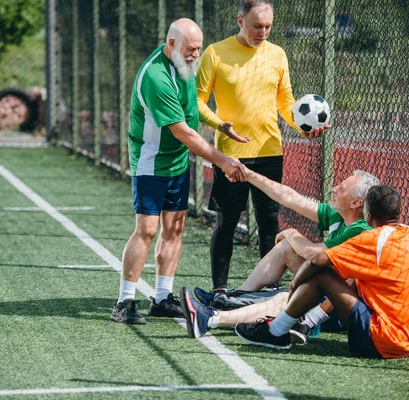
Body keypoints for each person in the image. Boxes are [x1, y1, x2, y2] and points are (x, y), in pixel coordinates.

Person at [111, 18, 245, 325]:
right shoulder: (155, 76)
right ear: (172, 44)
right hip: (150, 162)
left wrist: (217, 124)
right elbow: (183, 131)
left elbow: (192, 107)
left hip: (177, 162)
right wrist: (222, 160)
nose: (196, 55)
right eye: (191, 49)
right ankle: (124, 300)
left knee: (175, 229)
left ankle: (161, 297)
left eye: (198, 49)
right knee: (147, 230)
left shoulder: (183, 65)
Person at [196, 0, 330, 293]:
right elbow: (197, 101)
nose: (263, 32)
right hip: (230, 155)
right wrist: (220, 126)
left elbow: (286, 103)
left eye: (268, 26)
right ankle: (219, 289)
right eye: (257, 26)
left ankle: (269, 289)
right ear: (240, 21)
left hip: (270, 151)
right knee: (226, 222)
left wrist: (302, 128)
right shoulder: (215, 53)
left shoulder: (278, 54)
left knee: (269, 223)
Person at [180, 167, 380, 342]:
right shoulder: (340, 214)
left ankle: (211, 317)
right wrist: (249, 176)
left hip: (334, 308)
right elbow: (290, 197)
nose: (333, 188)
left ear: (356, 203)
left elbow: (312, 253)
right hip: (323, 286)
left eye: (341, 188)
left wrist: (292, 233)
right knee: (286, 249)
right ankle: (229, 299)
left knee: (286, 297)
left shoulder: (361, 230)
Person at [235, 185, 409, 358]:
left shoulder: (373, 239)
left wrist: (294, 284)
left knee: (322, 273)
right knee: (354, 275)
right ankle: (307, 323)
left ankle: (275, 331)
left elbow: (317, 260)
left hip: (383, 341)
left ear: (368, 214)